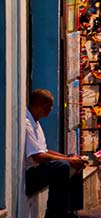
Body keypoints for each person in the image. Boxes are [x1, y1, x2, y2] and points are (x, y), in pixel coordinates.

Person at [25, 88, 87, 218]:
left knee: (76, 163)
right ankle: (55, 213)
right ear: (40, 104)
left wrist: (69, 157)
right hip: (29, 174)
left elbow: (44, 151)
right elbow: (38, 156)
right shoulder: (27, 123)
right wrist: (67, 161)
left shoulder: (36, 122)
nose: (51, 109)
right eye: (49, 106)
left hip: (37, 168)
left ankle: (71, 210)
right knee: (62, 167)